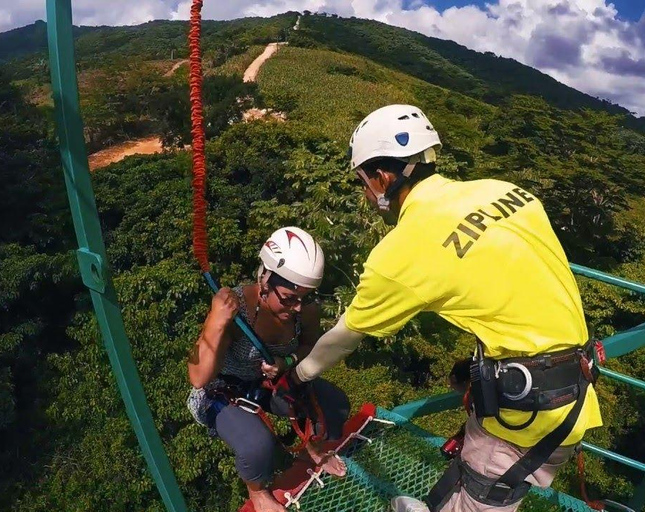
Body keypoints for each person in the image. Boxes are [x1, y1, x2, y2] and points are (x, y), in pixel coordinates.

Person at [273, 104, 603, 512]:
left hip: (529, 417)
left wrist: (297, 377)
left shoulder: (399, 253)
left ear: (381, 178)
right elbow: (521, 284)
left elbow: (344, 337)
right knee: (472, 474)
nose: (364, 191)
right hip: (577, 385)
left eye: (362, 181)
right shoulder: (505, 191)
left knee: (484, 495)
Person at [187, 227, 350, 512]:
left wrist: (285, 363)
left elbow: (311, 346)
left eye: (305, 297)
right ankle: (258, 493)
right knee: (256, 446)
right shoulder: (237, 312)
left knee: (335, 405)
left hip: (273, 385)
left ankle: (313, 449)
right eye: (289, 298)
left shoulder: (305, 310)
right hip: (225, 391)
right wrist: (216, 321)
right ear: (264, 279)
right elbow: (199, 377)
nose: (298, 307)